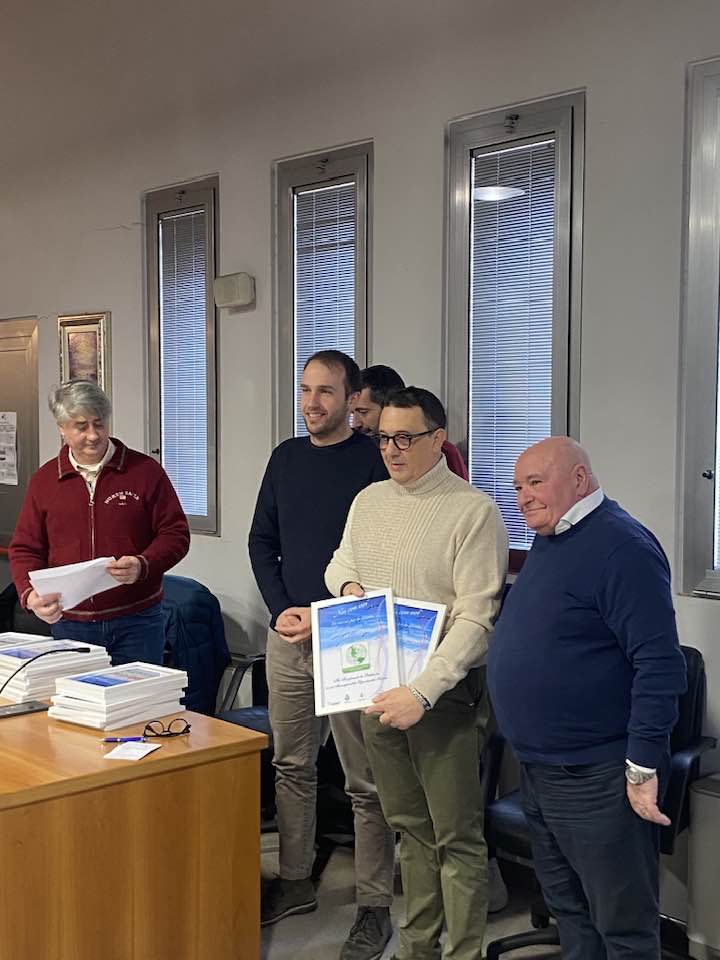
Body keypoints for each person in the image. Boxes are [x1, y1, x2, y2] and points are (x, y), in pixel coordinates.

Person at [487, 436, 688, 960]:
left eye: (535, 482)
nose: (523, 497)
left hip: (597, 775)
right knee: (571, 913)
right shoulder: (553, 539)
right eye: (517, 486)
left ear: (579, 479)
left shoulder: (622, 547)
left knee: (622, 926)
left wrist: (642, 768)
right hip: (542, 769)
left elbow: (660, 663)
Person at [325, 386, 508, 960]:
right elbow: (340, 562)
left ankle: (462, 953)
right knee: (410, 827)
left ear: (438, 439)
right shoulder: (369, 500)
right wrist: (349, 588)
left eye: (405, 438)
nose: (391, 450)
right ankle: (417, 947)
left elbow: (477, 620)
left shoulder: (472, 511)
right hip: (379, 687)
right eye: (384, 438)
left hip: (442, 697)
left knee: (456, 837)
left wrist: (423, 693)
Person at [248, 349, 395, 960]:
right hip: (288, 635)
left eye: (326, 391)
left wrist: (325, 614)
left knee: (366, 782)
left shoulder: (374, 462)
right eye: (306, 389)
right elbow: (262, 541)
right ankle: (295, 881)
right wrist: (282, 608)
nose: (312, 402)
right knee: (292, 765)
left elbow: (384, 557)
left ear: (352, 399)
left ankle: (373, 905)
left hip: (352, 633)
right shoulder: (285, 458)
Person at [9, 380, 190, 664]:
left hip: (138, 621)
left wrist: (143, 564)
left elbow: (176, 534)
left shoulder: (145, 471)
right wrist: (30, 595)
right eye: (81, 426)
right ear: (62, 428)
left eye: (99, 424)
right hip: (71, 623)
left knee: (139, 694)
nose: (93, 435)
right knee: (75, 694)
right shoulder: (45, 481)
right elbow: (25, 548)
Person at [353, 364, 469, 480]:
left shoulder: (442, 450)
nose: (355, 423)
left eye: (363, 412)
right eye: (352, 413)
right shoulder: (356, 449)